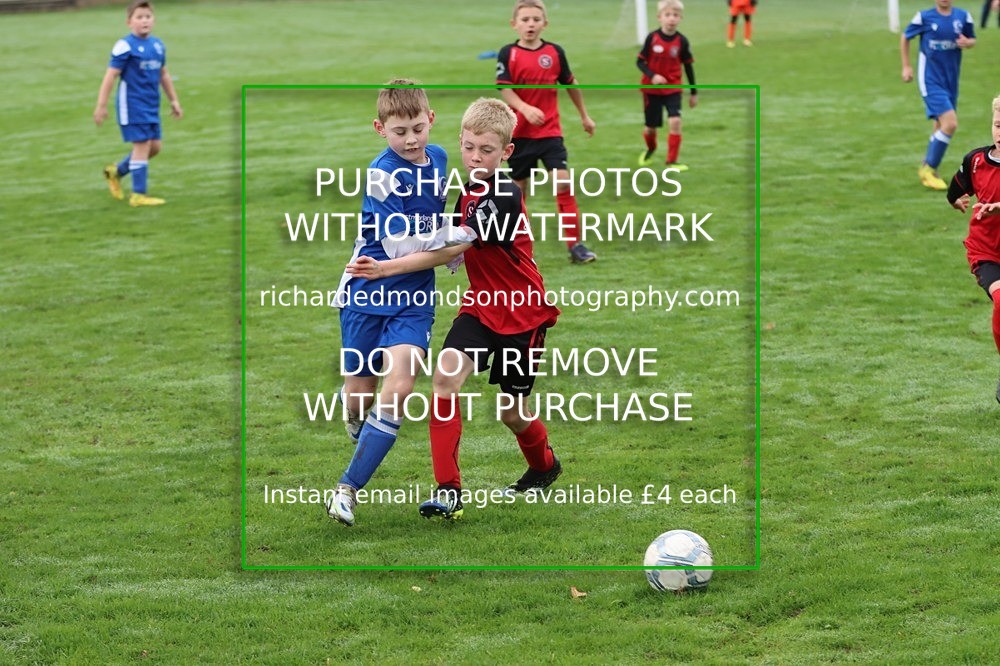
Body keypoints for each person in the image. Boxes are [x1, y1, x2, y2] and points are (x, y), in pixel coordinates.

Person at [347, 98, 564, 521]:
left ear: (507, 153)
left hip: (522, 312)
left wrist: (386, 267)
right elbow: (453, 244)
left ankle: (544, 465)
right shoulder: (468, 191)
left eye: (486, 150)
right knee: (444, 379)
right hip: (481, 307)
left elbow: (456, 242)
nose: (475, 157)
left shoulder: (503, 194)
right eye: (468, 147)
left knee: (511, 411)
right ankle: (448, 491)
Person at [325, 81, 473, 527]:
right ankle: (354, 414)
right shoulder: (382, 174)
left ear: (432, 119)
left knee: (402, 386)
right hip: (367, 291)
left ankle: (346, 490)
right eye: (399, 132)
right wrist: (455, 242)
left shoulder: (441, 158)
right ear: (379, 129)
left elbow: (434, 217)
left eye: (416, 128)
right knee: (359, 394)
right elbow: (396, 245)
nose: (410, 140)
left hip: (413, 298)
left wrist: (452, 243)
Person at [496, 0, 598, 265]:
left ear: (545, 23)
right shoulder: (508, 53)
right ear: (514, 24)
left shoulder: (554, 52)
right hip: (518, 135)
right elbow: (505, 89)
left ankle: (575, 245)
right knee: (518, 193)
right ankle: (519, 247)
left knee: (563, 182)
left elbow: (570, 84)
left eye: (535, 19)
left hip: (550, 133)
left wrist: (584, 116)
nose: (530, 24)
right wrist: (524, 108)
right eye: (525, 19)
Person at [93, 0, 182, 207]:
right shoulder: (125, 46)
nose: (144, 21)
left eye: (148, 17)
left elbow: (164, 74)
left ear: (154, 20)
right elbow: (110, 76)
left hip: (151, 106)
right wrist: (101, 105)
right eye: (139, 17)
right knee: (142, 146)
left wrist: (174, 101)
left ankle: (116, 171)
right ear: (129, 22)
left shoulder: (158, 45)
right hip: (132, 105)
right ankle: (138, 195)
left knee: (155, 148)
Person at [946, 93, 1000, 403]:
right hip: (986, 252)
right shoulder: (976, 161)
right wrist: (956, 199)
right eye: (997, 125)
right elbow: (956, 190)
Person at [900, 0, 976, 191]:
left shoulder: (963, 16)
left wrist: (968, 43)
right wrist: (907, 66)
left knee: (940, 125)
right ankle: (928, 167)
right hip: (930, 80)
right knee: (950, 123)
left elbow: (972, 39)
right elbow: (905, 37)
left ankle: (929, 171)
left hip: (951, 81)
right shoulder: (924, 17)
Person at [637, 0, 697, 170]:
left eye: (675, 15)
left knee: (675, 121)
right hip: (652, 90)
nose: (672, 19)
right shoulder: (652, 38)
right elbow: (640, 62)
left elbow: (688, 66)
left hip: (673, 88)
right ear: (660, 17)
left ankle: (672, 161)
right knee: (650, 128)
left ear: (680, 18)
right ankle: (651, 148)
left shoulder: (682, 41)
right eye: (668, 15)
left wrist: (694, 92)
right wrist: (653, 75)